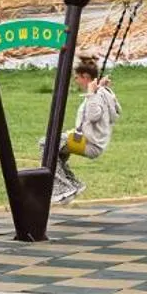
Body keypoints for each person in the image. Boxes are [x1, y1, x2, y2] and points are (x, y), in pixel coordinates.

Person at [53, 54, 120, 204]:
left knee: (46, 145)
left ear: (85, 76)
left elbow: (93, 116)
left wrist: (91, 93)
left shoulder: (96, 95)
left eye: (77, 77)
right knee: (57, 150)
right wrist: (98, 90)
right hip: (90, 140)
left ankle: (64, 189)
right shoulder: (102, 92)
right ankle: (74, 185)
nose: (75, 80)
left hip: (90, 144)